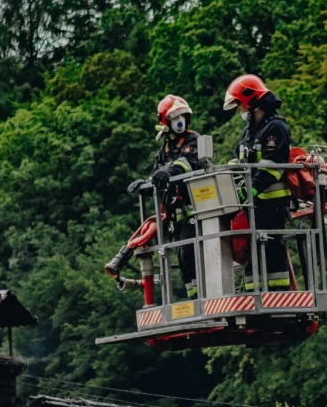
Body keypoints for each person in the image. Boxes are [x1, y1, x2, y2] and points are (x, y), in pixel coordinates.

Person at [108, 95, 201, 297]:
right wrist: (146, 183)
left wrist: (167, 173)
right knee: (183, 261)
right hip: (174, 217)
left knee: (190, 254)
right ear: (165, 122)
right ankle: (195, 298)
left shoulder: (194, 140)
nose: (180, 120)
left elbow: (187, 163)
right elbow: (157, 174)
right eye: (175, 116)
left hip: (194, 213)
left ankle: (203, 298)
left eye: (183, 116)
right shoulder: (165, 150)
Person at [224, 75, 292, 291]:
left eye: (240, 105)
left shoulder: (276, 129)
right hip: (254, 206)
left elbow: (270, 168)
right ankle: (253, 294)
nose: (239, 111)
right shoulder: (250, 131)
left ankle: (279, 297)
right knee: (252, 254)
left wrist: (248, 191)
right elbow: (238, 160)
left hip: (272, 206)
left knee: (272, 252)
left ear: (252, 101)